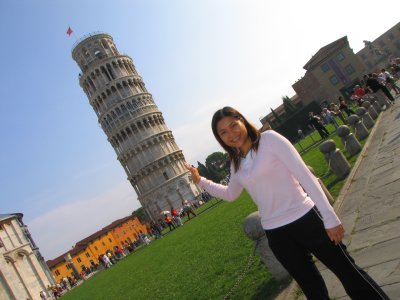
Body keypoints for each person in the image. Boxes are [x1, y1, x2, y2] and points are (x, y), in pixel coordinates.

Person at [185, 106, 389, 300]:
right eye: (223, 132)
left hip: (306, 219)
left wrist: (330, 218)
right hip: (276, 234)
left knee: (349, 275)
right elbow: (230, 193)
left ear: (242, 121)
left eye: (233, 125)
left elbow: (305, 176)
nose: (231, 134)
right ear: (220, 139)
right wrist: (200, 181)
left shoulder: (270, 140)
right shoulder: (235, 162)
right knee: (312, 290)